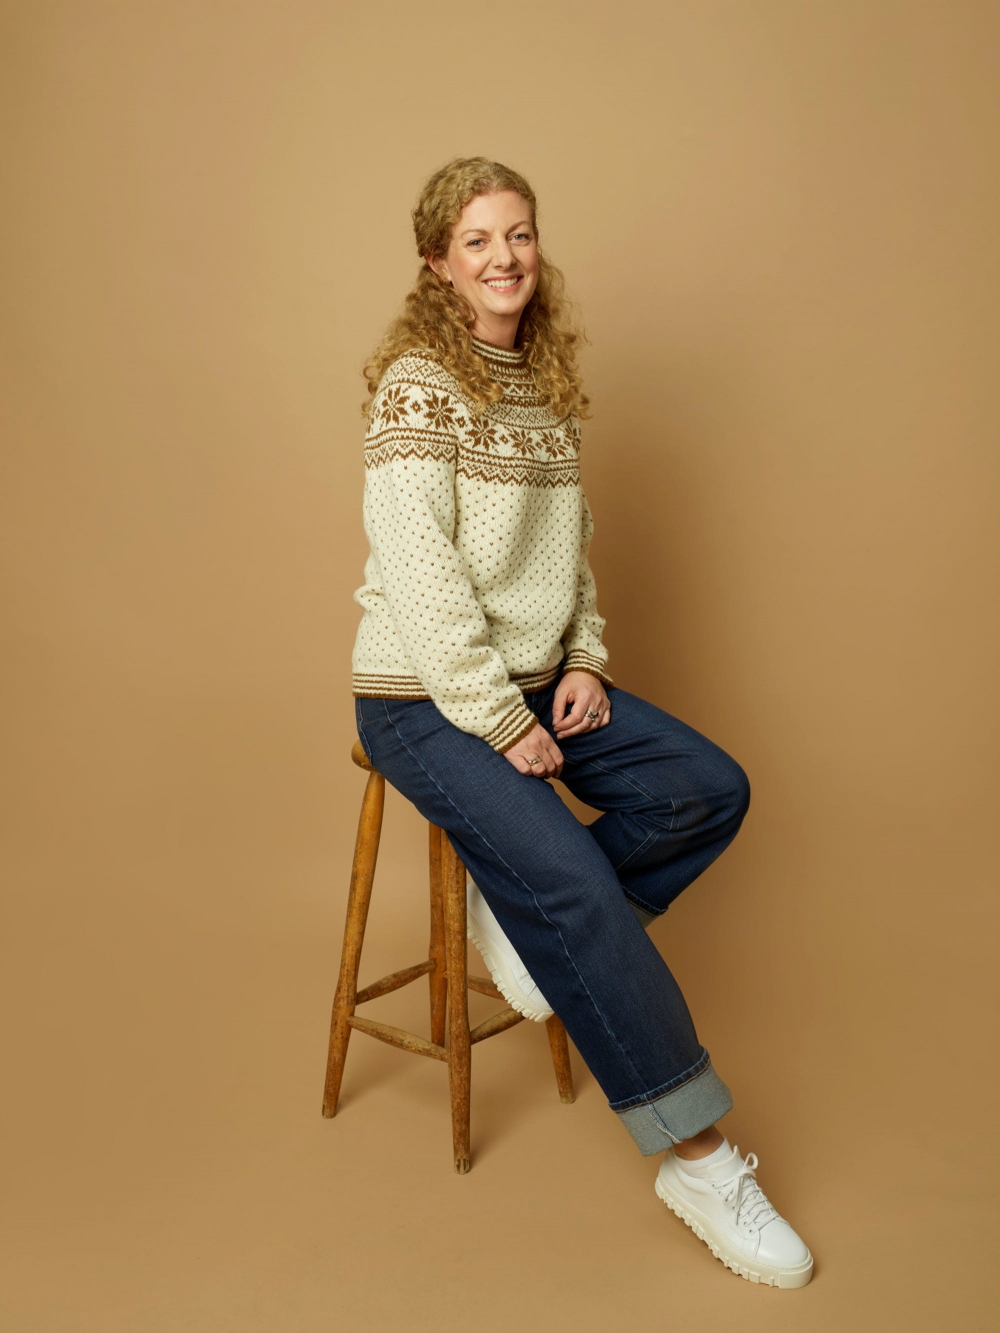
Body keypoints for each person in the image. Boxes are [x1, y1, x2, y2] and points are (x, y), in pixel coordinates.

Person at [350, 156, 813, 1289]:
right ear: (436, 263)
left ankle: (533, 927)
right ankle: (699, 1162)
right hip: (424, 696)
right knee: (574, 889)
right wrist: (497, 717)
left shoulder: (543, 384)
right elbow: (421, 574)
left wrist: (586, 660)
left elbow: (572, 552)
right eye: (476, 240)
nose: (503, 257)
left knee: (707, 787)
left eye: (518, 234)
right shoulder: (419, 385)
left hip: (532, 678)